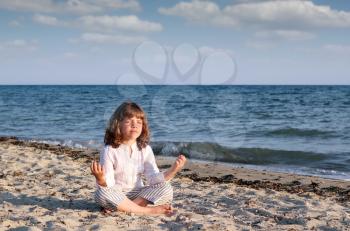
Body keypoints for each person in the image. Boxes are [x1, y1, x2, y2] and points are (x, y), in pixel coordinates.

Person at [90, 101, 187, 216]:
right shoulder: (109, 150)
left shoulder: (145, 149)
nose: (134, 125)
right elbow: (109, 185)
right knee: (101, 194)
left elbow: (153, 179)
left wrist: (173, 170)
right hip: (116, 193)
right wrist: (100, 179)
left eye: (139, 122)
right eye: (129, 121)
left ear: (143, 126)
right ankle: (147, 210)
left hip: (138, 194)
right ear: (117, 124)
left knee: (166, 188)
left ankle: (128, 207)